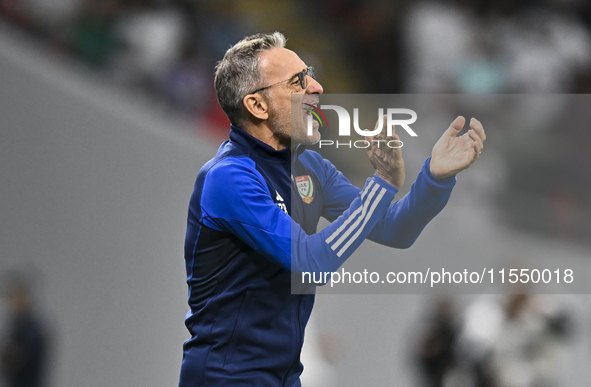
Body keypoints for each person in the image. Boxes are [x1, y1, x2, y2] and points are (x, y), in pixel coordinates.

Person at [179, 32, 486, 386]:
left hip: (282, 378)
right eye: (299, 81)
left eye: (310, 74)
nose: (317, 87)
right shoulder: (229, 178)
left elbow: (394, 230)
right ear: (258, 106)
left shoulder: (309, 167)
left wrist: (434, 178)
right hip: (224, 378)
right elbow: (310, 263)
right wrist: (382, 182)